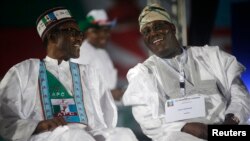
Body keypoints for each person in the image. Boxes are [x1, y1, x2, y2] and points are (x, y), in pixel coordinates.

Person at [0, 7, 138, 141]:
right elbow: (4, 115)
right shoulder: (24, 71)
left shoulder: (88, 72)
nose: (79, 38)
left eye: (79, 34)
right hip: (47, 135)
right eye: (73, 32)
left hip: (88, 134)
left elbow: (105, 113)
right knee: (77, 136)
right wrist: (37, 125)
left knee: (123, 134)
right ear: (53, 37)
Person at [122, 3, 250, 141]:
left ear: (172, 28)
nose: (153, 33)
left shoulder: (212, 57)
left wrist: (231, 122)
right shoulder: (143, 73)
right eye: (146, 31)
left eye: (158, 26)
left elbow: (240, 95)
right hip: (180, 135)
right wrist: (186, 127)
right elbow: (147, 119)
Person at [71, 9, 123, 101]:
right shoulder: (79, 54)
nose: (103, 35)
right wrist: (109, 94)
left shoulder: (102, 53)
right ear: (86, 33)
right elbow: (78, 90)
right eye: (96, 31)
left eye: (106, 30)